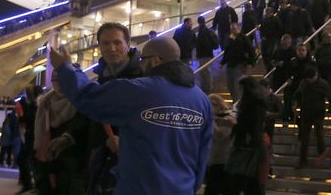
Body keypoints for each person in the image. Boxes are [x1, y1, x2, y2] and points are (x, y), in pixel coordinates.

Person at [50, 36, 213, 194]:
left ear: (155, 60)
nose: (141, 65)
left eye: (143, 60)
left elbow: (88, 96)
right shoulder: (202, 100)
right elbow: (202, 156)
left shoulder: (138, 91)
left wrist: (65, 68)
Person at [85, 22, 145, 194]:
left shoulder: (144, 78)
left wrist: (126, 142)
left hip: (134, 167)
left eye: (117, 42)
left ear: (127, 44)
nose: (112, 48)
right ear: (99, 47)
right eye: (105, 43)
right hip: (100, 165)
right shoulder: (98, 81)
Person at [34, 71, 89, 195]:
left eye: (62, 79)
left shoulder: (83, 103)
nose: (58, 84)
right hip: (47, 167)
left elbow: (85, 131)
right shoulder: (46, 103)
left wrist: (67, 138)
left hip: (75, 170)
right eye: (54, 80)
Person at [227, 77, 269, 195]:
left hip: (248, 148)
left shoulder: (252, 105)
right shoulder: (257, 103)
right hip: (252, 147)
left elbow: (251, 126)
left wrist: (236, 123)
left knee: (242, 182)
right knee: (251, 184)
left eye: (241, 88)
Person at [294, 66, 331, 168]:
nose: (310, 80)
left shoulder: (323, 84)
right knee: (304, 137)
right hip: (305, 112)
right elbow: (298, 93)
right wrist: (295, 103)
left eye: (312, 78)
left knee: (319, 135)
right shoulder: (303, 83)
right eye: (308, 79)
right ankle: (303, 161)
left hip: (318, 113)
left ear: (316, 75)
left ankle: (322, 157)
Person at [205, 94, 235, 195]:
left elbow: (220, 136)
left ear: (218, 105)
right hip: (213, 160)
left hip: (224, 161)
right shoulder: (214, 118)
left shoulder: (227, 118)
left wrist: (210, 120)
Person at [220, 22, 256, 102]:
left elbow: (251, 51)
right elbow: (227, 51)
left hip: (239, 64)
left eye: (234, 29)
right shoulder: (230, 39)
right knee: (230, 85)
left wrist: (250, 63)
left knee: (237, 86)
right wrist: (222, 62)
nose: (233, 31)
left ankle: (238, 103)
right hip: (230, 64)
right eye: (231, 29)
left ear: (238, 28)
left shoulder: (243, 38)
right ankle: (235, 101)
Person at [196, 16, 219, 94]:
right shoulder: (206, 30)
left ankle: (207, 89)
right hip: (207, 54)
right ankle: (207, 88)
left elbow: (204, 43)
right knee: (205, 72)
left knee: (205, 72)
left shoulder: (202, 31)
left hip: (204, 54)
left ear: (198, 22)